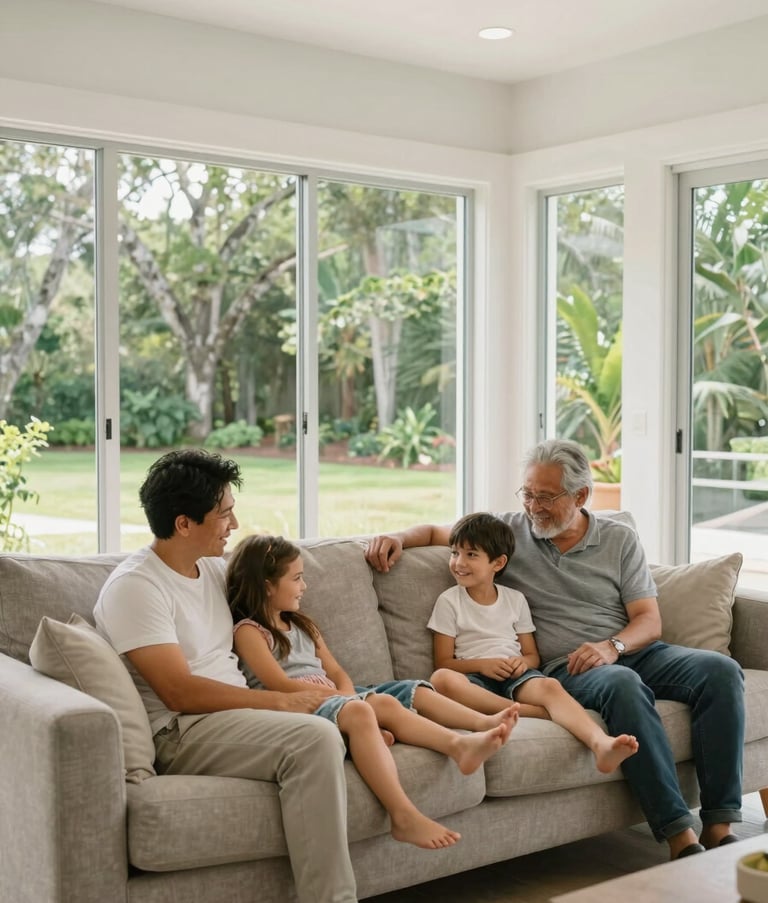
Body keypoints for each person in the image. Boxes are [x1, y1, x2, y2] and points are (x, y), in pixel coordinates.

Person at [365, 438, 746, 862]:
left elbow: (648, 620)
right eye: (527, 494)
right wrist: (396, 537)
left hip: (627, 649)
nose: (534, 507)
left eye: (545, 497)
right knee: (622, 684)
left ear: (581, 496)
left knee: (720, 671)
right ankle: (678, 834)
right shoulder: (511, 532)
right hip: (569, 666)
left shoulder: (619, 539)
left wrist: (612, 646)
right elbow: (440, 533)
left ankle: (719, 825)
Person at [93, 449, 358, 903]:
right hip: (183, 729)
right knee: (313, 739)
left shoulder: (214, 569)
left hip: (235, 714)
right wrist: (281, 701)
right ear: (184, 524)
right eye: (224, 514)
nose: (234, 525)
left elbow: (272, 596)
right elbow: (178, 691)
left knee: (365, 712)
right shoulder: (136, 588)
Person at [226, 533, 519, 851]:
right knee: (368, 706)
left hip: (337, 698)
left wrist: (346, 694)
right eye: (296, 579)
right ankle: (404, 814)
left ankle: (477, 729)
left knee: (404, 693)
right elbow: (279, 685)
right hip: (299, 707)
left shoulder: (303, 625)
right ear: (267, 586)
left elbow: (336, 671)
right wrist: (343, 700)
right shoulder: (249, 631)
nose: (304, 586)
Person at [428, 511, 639, 774]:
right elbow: (444, 662)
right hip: (473, 678)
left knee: (550, 685)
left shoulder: (515, 599)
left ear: (498, 563)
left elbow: (532, 656)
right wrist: (483, 665)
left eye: (471, 554)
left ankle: (600, 744)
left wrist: (521, 664)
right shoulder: (449, 601)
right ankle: (532, 712)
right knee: (441, 680)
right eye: (454, 553)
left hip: (514, 674)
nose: (459, 562)